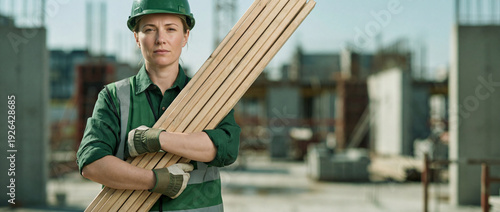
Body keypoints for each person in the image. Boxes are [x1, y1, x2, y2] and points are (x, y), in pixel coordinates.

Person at [76, 0, 241, 211]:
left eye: (170, 29)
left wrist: (156, 139)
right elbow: (92, 164)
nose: (160, 39)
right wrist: (154, 180)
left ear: (185, 36)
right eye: (149, 29)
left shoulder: (209, 96)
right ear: (137, 37)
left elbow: (226, 149)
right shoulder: (114, 97)